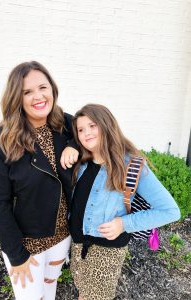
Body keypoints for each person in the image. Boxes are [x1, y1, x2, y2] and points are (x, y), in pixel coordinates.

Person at [0, 61, 79, 300]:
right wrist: (16, 254)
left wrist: (73, 145)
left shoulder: (65, 124)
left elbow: (93, 133)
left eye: (43, 87)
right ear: (17, 97)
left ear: (52, 89)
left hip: (61, 236)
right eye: (27, 92)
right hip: (27, 245)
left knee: (50, 287)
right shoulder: (1, 142)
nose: (38, 96)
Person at [69, 104, 181, 300]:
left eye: (92, 125)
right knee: (83, 294)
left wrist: (123, 224)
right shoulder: (82, 163)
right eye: (80, 129)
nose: (86, 133)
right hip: (78, 247)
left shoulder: (130, 164)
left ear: (106, 125)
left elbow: (170, 211)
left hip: (106, 254)